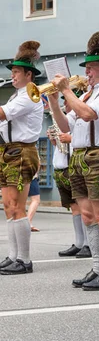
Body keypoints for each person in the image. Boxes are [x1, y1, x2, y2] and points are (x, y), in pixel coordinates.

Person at [48, 30, 99, 290]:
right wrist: (54, 102)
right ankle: (97, 267)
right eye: (87, 68)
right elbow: (65, 127)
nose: (87, 73)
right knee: (88, 216)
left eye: (91, 68)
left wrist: (66, 91)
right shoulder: (85, 95)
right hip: (79, 155)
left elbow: (88, 115)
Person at [0, 41, 44, 275]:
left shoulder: (31, 94)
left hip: (22, 151)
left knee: (17, 206)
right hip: (10, 150)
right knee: (8, 206)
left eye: (16, 72)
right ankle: (13, 255)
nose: (13, 75)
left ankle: (24, 260)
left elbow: (2, 115)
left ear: (29, 74)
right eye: (12, 72)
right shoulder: (17, 95)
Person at [54, 96, 91, 258]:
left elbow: (84, 140)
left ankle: (89, 244)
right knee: (75, 208)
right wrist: (56, 141)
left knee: (84, 207)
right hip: (62, 167)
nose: (65, 104)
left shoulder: (80, 118)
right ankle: (79, 242)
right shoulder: (66, 119)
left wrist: (70, 139)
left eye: (67, 101)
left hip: (74, 166)